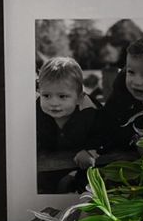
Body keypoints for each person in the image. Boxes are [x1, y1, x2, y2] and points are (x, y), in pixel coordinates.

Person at [85, 34, 143, 171]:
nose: (136, 82)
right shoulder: (122, 91)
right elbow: (106, 120)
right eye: (131, 72)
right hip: (129, 160)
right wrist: (92, 148)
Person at [34, 54, 102, 193]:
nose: (53, 103)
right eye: (46, 95)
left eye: (62, 96)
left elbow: (105, 132)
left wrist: (91, 150)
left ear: (79, 98)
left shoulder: (89, 111)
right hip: (51, 162)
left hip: (82, 164)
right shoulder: (36, 110)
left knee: (87, 183)